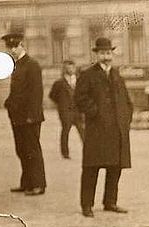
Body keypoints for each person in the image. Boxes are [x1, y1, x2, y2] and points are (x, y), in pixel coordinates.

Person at [75, 37, 133, 217]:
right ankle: (87, 205)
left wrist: (126, 118)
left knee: (114, 168)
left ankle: (110, 202)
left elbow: (126, 100)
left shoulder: (117, 75)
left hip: (117, 131)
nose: (106, 56)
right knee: (91, 168)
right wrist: (95, 113)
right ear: (97, 54)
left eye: (108, 53)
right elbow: (79, 98)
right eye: (102, 53)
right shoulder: (88, 75)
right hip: (97, 130)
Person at [2, 32, 46, 195]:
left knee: (32, 150)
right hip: (17, 116)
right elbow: (17, 91)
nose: (12, 50)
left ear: (22, 45)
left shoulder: (32, 64)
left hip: (29, 117)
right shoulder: (16, 65)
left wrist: (32, 116)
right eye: (10, 47)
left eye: (15, 46)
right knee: (21, 150)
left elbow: (36, 93)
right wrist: (9, 103)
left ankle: (38, 184)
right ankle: (27, 182)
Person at [49, 60, 84, 159]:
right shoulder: (59, 83)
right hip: (65, 112)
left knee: (83, 131)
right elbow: (52, 96)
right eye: (68, 68)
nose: (71, 70)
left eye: (72, 67)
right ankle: (65, 153)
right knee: (65, 132)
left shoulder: (80, 81)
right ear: (65, 69)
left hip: (78, 111)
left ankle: (88, 151)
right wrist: (61, 104)